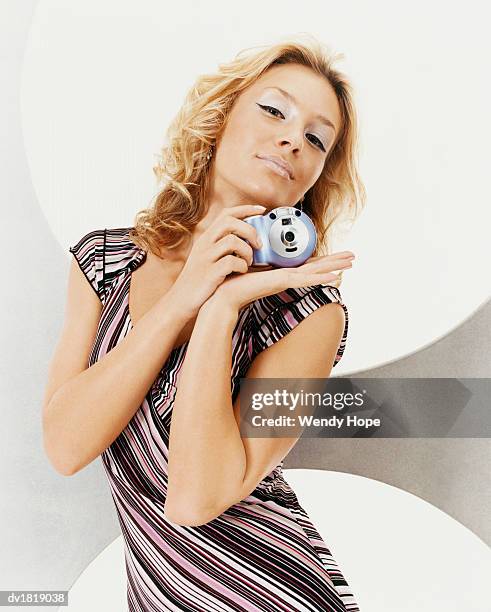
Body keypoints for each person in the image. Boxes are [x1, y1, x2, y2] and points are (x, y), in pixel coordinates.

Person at [43, 36, 365, 612]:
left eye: (317, 139)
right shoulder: (103, 264)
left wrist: (220, 311)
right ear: (220, 117)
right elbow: (65, 446)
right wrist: (183, 299)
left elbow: (195, 499)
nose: (294, 139)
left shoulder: (310, 313)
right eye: (274, 110)